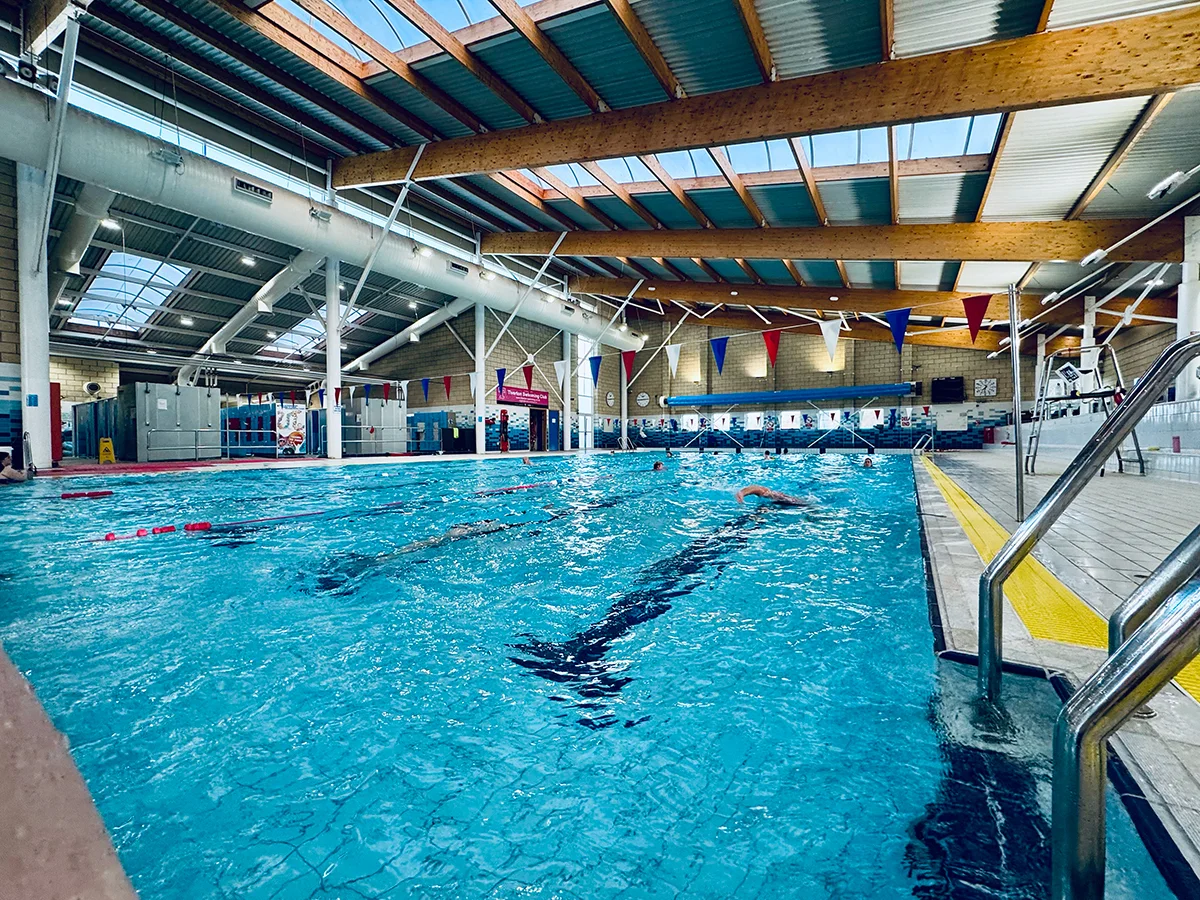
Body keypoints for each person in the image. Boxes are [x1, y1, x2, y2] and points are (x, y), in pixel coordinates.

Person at [735, 484, 805, 506]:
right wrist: (741, 493)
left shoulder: (770, 494)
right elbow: (757, 489)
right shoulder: (767, 493)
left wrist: (741, 493)